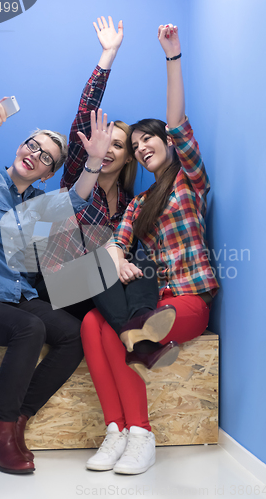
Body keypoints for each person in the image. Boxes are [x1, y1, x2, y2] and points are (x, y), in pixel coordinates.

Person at [80, 23, 219, 475]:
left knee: (132, 330)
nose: (140, 149)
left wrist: (172, 56)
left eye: (147, 140)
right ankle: (116, 430)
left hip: (189, 298)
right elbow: (116, 242)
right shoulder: (139, 202)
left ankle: (141, 434)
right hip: (153, 299)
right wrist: (118, 258)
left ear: (165, 143)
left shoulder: (189, 180)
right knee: (91, 321)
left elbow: (177, 123)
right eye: (134, 146)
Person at [0, 96, 114, 474]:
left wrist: (94, 161)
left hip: (16, 297)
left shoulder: (41, 203)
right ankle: (2, 438)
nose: (35, 155)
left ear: (47, 174)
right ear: (19, 147)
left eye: (47, 158)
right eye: (33, 146)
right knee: (30, 328)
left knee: (74, 333)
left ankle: (18, 419)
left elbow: (77, 201)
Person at [37, 16, 139, 320]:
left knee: (137, 266)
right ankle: (130, 331)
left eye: (117, 145)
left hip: (98, 294)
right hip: (55, 287)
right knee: (104, 263)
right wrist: (108, 55)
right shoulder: (78, 178)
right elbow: (86, 110)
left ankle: (138, 333)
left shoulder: (128, 203)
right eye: (104, 141)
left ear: (129, 157)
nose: (107, 150)